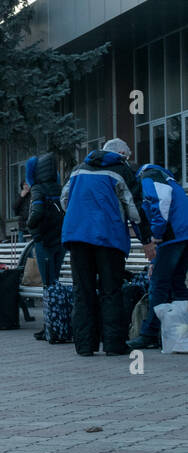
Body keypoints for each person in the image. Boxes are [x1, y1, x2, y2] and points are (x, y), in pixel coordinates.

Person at [60, 144, 150, 357]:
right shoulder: (121, 170)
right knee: (111, 291)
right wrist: (146, 238)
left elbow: (65, 200)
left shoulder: (78, 169)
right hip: (108, 238)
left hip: (78, 236)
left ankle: (84, 346)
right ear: (122, 155)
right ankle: (113, 345)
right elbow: (135, 208)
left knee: (83, 291)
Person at [128, 163, 188, 351]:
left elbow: (161, 201)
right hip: (182, 234)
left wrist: (155, 236)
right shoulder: (162, 176)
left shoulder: (149, 176)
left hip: (172, 236)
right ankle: (179, 333)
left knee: (159, 284)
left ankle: (149, 334)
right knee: (178, 284)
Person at [26, 153, 65, 289]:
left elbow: (37, 212)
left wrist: (29, 225)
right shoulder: (59, 188)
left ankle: (50, 309)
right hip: (60, 239)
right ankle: (57, 308)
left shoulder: (37, 189)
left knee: (48, 282)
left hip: (44, 240)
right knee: (56, 279)